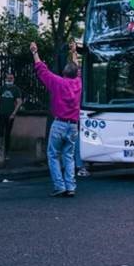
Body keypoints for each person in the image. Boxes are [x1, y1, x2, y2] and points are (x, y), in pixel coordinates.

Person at [31, 40, 82, 197]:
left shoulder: (58, 82)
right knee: (69, 155)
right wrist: (74, 52)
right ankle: (71, 186)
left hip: (59, 123)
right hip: (73, 125)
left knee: (53, 155)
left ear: (64, 73)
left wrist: (35, 52)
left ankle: (59, 185)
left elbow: (42, 70)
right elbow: (78, 69)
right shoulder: (78, 84)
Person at [0, 72, 23, 159]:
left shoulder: (16, 89)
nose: (9, 79)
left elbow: (19, 102)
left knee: (7, 134)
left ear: (13, 79)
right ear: (6, 78)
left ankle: (6, 153)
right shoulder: (2, 88)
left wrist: (14, 113)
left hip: (10, 115)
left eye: (11, 78)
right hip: (1, 114)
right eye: (8, 78)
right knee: (0, 133)